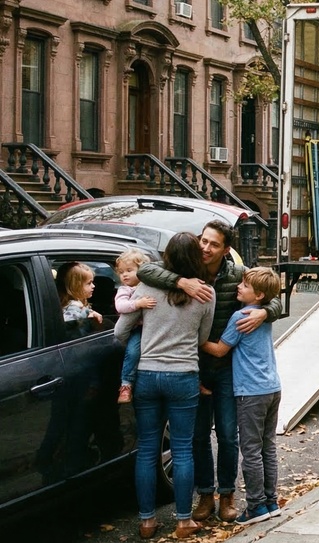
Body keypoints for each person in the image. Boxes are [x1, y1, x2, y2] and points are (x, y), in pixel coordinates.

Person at [138, 220, 284, 522]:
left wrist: (264, 312)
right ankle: (205, 495)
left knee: (229, 436)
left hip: (229, 369)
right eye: (203, 241)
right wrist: (182, 282)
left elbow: (272, 295)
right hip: (195, 367)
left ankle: (227, 493)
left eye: (213, 244)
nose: (205, 248)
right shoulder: (188, 269)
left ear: (226, 249)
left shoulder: (238, 276)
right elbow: (144, 271)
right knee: (199, 436)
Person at [115, 232, 216, 540]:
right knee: (183, 449)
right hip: (183, 375)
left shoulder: (145, 288)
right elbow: (201, 338)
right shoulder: (206, 293)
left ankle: (147, 522)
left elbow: (120, 332)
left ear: (167, 257)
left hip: (146, 375)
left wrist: (142, 343)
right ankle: (184, 522)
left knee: (147, 448)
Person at [200, 267, 284, 525]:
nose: (239, 286)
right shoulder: (263, 315)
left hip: (251, 392)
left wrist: (193, 337)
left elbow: (219, 350)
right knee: (268, 447)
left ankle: (256, 506)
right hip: (272, 387)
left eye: (245, 285)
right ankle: (271, 501)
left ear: (258, 295)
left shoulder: (241, 315)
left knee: (251, 450)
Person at [114, 249, 157, 404]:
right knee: (132, 352)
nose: (124, 275)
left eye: (129, 270)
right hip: (137, 329)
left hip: (153, 327)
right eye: (121, 272)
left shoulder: (151, 286)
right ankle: (126, 384)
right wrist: (138, 303)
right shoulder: (125, 290)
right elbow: (120, 306)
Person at [57, 262, 103, 330]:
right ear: (75, 286)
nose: (93, 286)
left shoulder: (77, 306)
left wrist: (88, 312)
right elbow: (72, 329)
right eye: (89, 283)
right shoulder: (72, 310)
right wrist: (86, 319)